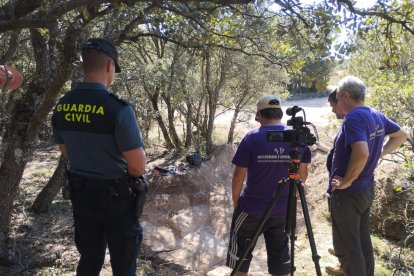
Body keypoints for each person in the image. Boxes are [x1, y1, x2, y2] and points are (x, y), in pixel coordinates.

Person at [51, 38, 147, 276]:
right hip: (117, 201)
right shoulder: (118, 109)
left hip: (82, 197)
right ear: (109, 66)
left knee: (89, 260)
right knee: (124, 265)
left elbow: (66, 153)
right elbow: (137, 167)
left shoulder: (62, 105)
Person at [329, 76, 407, 276]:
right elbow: (401, 136)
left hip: (349, 194)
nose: (336, 103)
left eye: (338, 98)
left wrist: (346, 181)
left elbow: (362, 153)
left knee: (349, 244)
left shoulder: (353, 117)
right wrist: (379, 153)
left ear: (346, 96)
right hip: (365, 189)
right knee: (362, 239)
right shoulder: (375, 114)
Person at [226, 95, 311, 276]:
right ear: (280, 113)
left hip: (251, 209)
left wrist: (236, 203)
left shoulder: (251, 138)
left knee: (240, 257)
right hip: (283, 210)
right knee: (280, 260)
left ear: (259, 115)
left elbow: (238, 176)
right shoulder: (298, 138)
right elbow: (302, 176)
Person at [324, 88, 346, 276]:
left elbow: (362, 154)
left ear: (342, 101)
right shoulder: (348, 123)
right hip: (337, 187)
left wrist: (346, 180)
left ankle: (345, 266)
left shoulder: (354, 123)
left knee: (345, 229)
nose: (332, 110)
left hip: (344, 189)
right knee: (338, 225)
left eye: (333, 105)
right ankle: (341, 253)